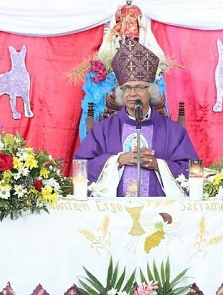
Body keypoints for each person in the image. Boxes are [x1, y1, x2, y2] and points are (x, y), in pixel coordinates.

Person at [75, 39, 198, 198]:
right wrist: (118, 160)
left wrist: (158, 165)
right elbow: (82, 167)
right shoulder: (102, 130)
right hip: (112, 215)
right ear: (121, 92)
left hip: (159, 215)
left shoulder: (174, 132)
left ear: (151, 90)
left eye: (139, 87)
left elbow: (191, 171)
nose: (132, 94)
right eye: (126, 88)